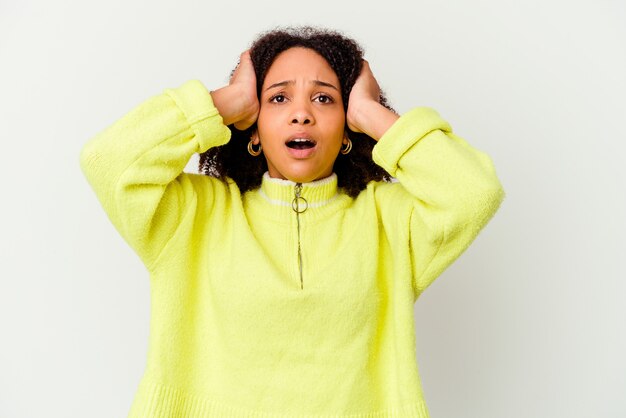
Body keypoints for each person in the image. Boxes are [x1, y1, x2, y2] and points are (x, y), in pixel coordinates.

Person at [80, 26, 505, 418]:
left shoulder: (388, 222)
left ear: (346, 132)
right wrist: (224, 103)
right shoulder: (193, 215)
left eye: (324, 98)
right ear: (253, 129)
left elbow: (473, 192)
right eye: (278, 98)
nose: (301, 113)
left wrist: (372, 114)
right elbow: (108, 161)